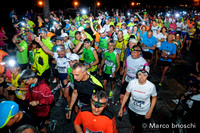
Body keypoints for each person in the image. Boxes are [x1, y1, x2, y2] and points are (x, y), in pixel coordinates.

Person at [118, 65, 157, 133]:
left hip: (143, 111)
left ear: (147, 76)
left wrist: (150, 111)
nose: (141, 77)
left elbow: (154, 98)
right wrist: (121, 108)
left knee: (139, 128)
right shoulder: (132, 83)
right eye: (140, 74)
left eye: (144, 75)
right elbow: (126, 95)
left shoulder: (151, 86)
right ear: (137, 75)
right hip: (132, 108)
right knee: (133, 124)